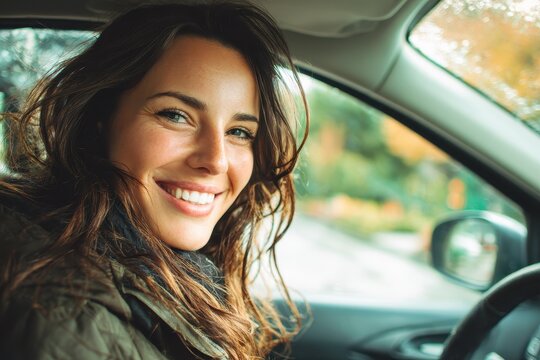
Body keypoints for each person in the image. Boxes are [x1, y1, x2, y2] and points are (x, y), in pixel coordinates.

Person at [0, 1, 308, 359]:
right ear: (102, 118)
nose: (216, 160)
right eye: (176, 115)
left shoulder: (162, 272)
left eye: (239, 131)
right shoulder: (68, 313)